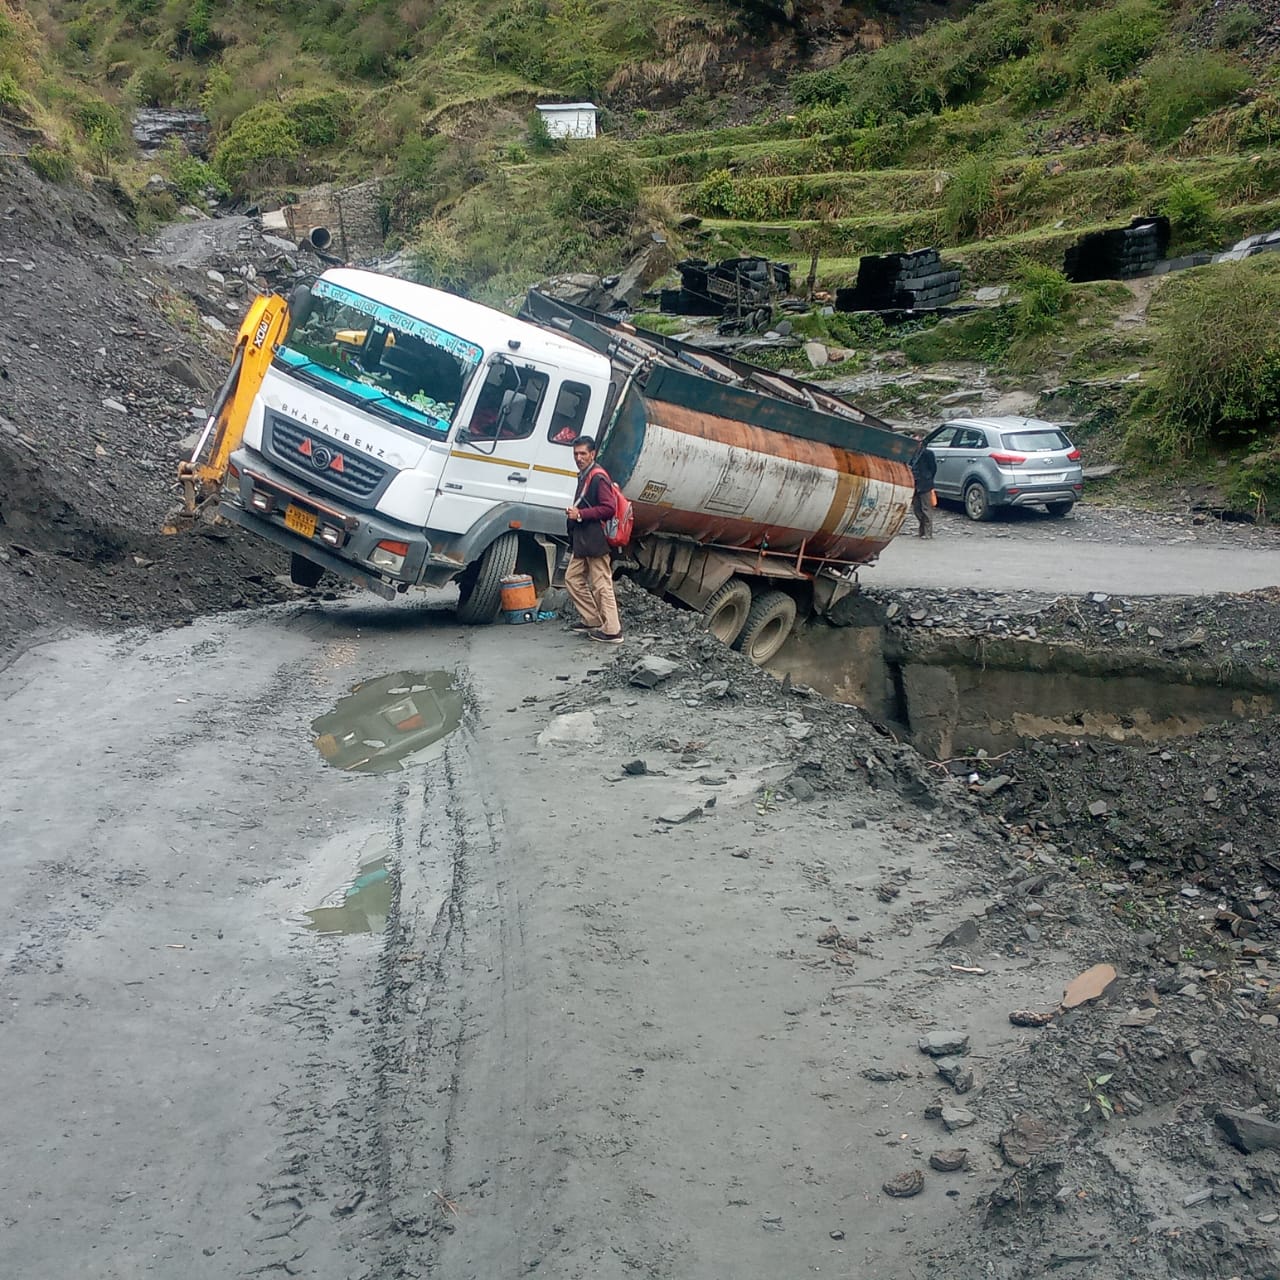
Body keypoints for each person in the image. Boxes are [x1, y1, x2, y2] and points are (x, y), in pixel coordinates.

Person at [564, 436, 624, 644]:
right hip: (584, 540)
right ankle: (592, 620)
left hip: (595, 540)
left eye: (582, 454)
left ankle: (612, 630)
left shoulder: (598, 477)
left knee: (601, 584)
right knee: (572, 579)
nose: (578, 458)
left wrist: (580, 514)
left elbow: (609, 509)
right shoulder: (586, 475)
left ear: (593, 454)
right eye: (575, 454)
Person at [909, 431, 937, 539]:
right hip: (915, 483)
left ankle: (928, 533)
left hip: (925, 483)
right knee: (917, 509)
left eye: (918, 441)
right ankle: (922, 531)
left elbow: (933, 468)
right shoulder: (911, 453)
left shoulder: (927, 453)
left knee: (926, 509)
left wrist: (928, 478)